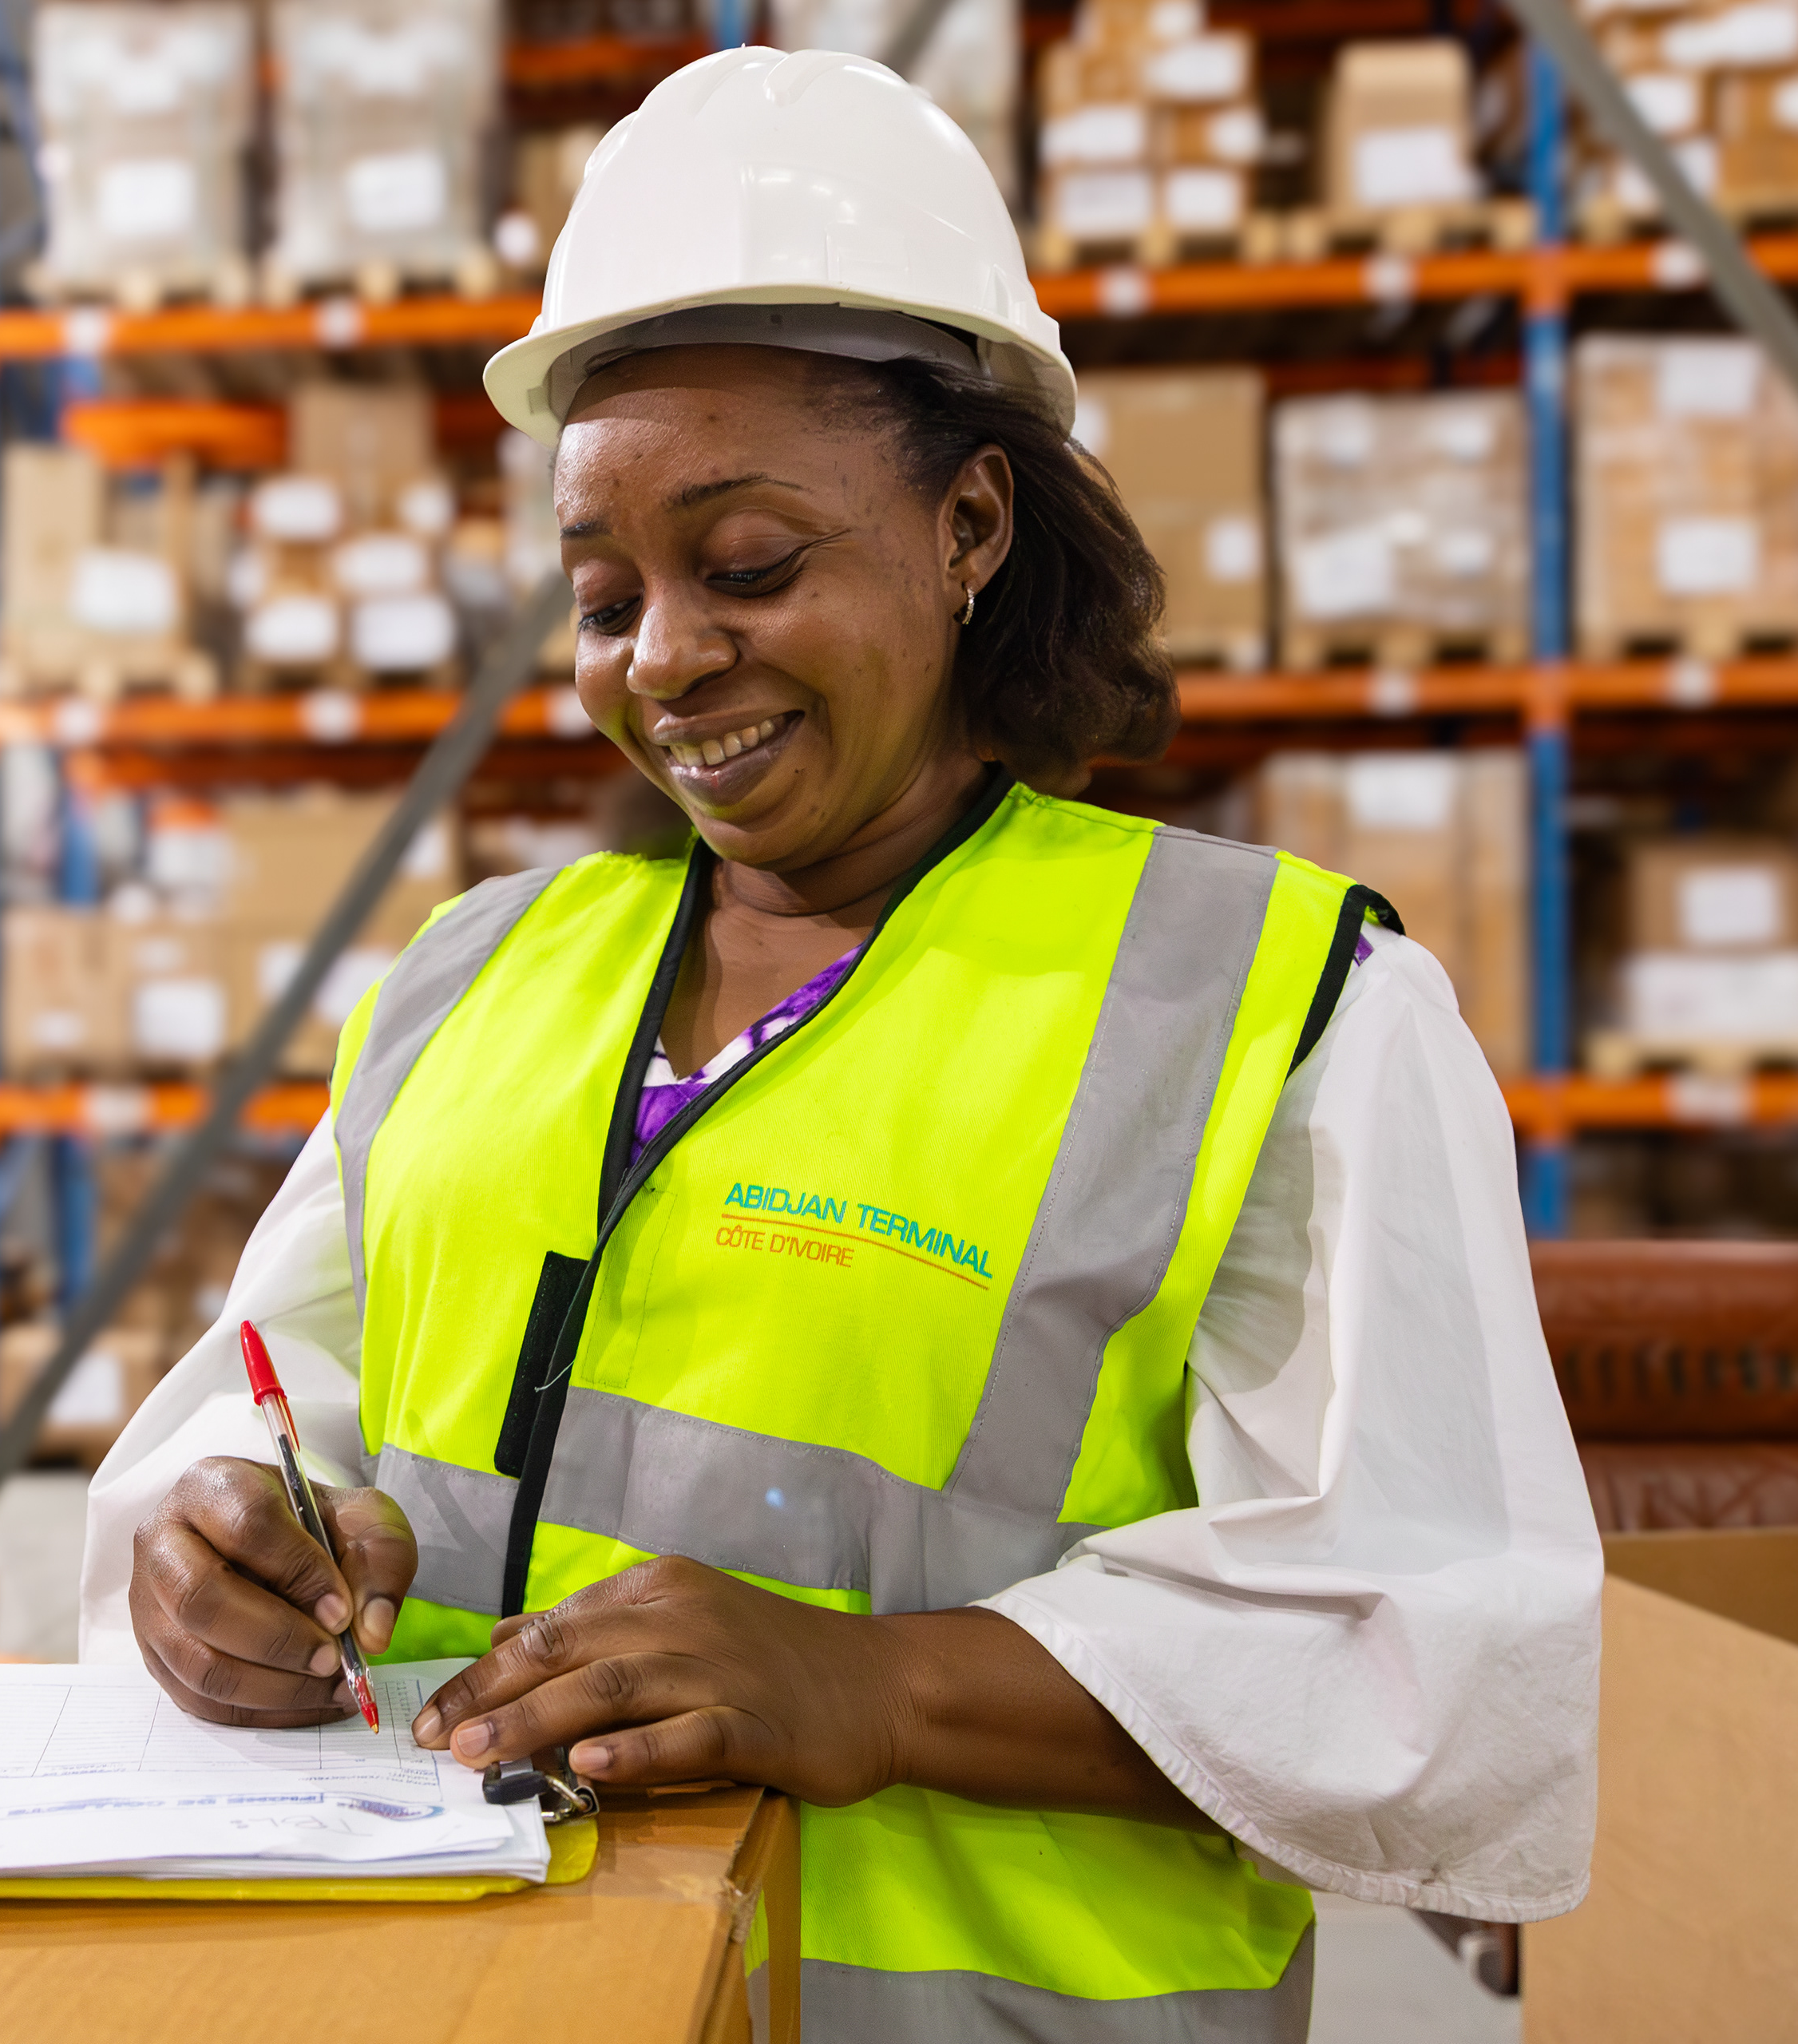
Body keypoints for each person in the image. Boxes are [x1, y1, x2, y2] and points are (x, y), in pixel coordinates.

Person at [78, 46, 1600, 2042]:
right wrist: (235, 1548)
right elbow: (280, 1404)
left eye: (750, 563)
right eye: (603, 590)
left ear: (971, 523)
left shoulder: (1274, 1010)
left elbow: (1444, 1671)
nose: (663, 661)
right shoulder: (475, 976)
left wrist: (877, 1686)